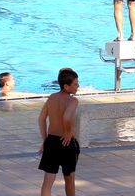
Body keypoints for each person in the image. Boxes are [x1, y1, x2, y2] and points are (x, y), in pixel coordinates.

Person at [39, 68, 80, 196]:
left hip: (51, 141)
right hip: (66, 143)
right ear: (66, 86)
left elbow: (41, 119)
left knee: (47, 182)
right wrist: (68, 132)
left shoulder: (52, 97)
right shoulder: (73, 100)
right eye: (75, 84)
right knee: (69, 179)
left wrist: (45, 140)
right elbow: (67, 117)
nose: (78, 86)